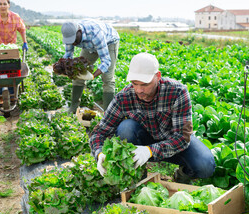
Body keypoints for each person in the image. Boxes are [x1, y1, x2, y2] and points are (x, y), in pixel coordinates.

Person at [90, 53, 215, 184]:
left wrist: (150, 151)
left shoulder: (177, 92)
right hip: (142, 143)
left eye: (144, 84)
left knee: (205, 165)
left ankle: (180, 177)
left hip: (173, 144)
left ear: (158, 76)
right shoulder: (123, 98)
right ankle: (138, 175)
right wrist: (99, 153)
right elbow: (99, 133)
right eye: (134, 83)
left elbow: (183, 138)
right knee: (126, 127)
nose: (138, 90)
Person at [61, 20, 120, 112]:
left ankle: (108, 114)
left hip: (109, 42)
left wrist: (92, 76)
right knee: (78, 73)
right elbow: (68, 55)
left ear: (79, 32)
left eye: (74, 40)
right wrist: (67, 69)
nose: (73, 43)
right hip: (88, 46)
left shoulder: (95, 34)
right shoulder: (70, 35)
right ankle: (73, 108)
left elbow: (106, 61)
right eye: (70, 41)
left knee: (107, 78)